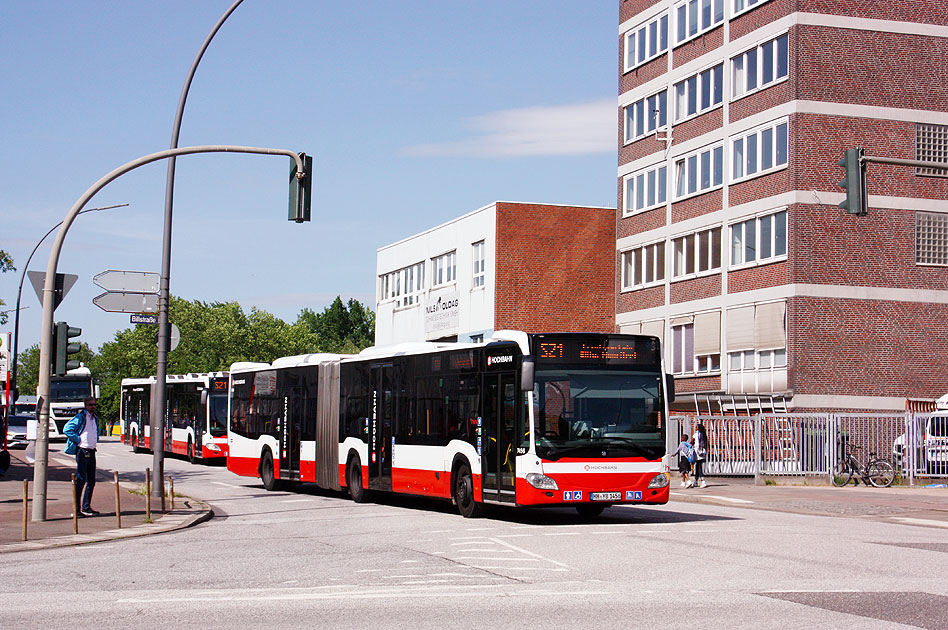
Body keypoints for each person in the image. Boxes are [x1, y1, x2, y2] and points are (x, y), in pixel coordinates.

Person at [63, 396, 100, 517]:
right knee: (81, 480)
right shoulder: (80, 417)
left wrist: (95, 440)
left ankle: (86, 507)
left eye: (94, 404)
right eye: (90, 405)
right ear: (85, 406)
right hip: (82, 451)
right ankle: (76, 509)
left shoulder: (95, 418)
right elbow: (67, 429)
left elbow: (94, 431)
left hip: (91, 450)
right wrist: (78, 440)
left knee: (91, 480)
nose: (92, 407)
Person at [692, 422, 709, 488]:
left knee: (698, 466)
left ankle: (702, 480)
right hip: (702, 452)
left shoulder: (696, 434)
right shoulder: (704, 435)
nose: (695, 428)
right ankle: (696, 481)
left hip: (697, 451)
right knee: (698, 466)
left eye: (696, 427)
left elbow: (692, 441)